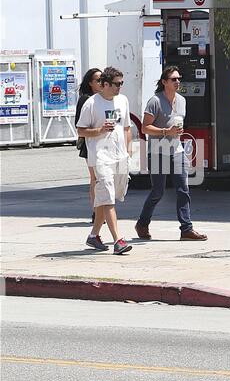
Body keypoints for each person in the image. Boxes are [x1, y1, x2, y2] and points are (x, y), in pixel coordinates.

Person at [135, 65, 208, 241]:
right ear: (164, 82)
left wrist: (176, 132)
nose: (177, 82)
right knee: (158, 191)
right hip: (158, 151)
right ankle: (142, 223)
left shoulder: (182, 100)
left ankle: (186, 229)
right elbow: (145, 128)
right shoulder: (155, 101)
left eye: (179, 78)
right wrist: (165, 131)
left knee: (183, 189)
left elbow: (178, 125)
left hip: (177, 150)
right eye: (174, 79)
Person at [76, 66, 133, 255]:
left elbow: (126, 127)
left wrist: (129, 149)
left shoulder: (123, 101)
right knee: (108, 197)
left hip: (120, 156)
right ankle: (118, 241)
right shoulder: (91, 104)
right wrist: (99, 130)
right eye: (117, 84)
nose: (120, 87)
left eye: (121, 83)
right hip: (100, 157)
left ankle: (93, 235)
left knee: (108, 195)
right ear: (105, 84)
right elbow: (81, 131)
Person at [75, 68, 103, 224]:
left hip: (105, 143)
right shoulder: (85, 99)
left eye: (102, 79)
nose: (101, 82)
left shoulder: (104, 98)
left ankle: (101, 209)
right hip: (90, 143)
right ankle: (95, 211)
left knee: (102, 177)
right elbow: (79, 125)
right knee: (95, 177)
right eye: (97, 80)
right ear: (90, 83)